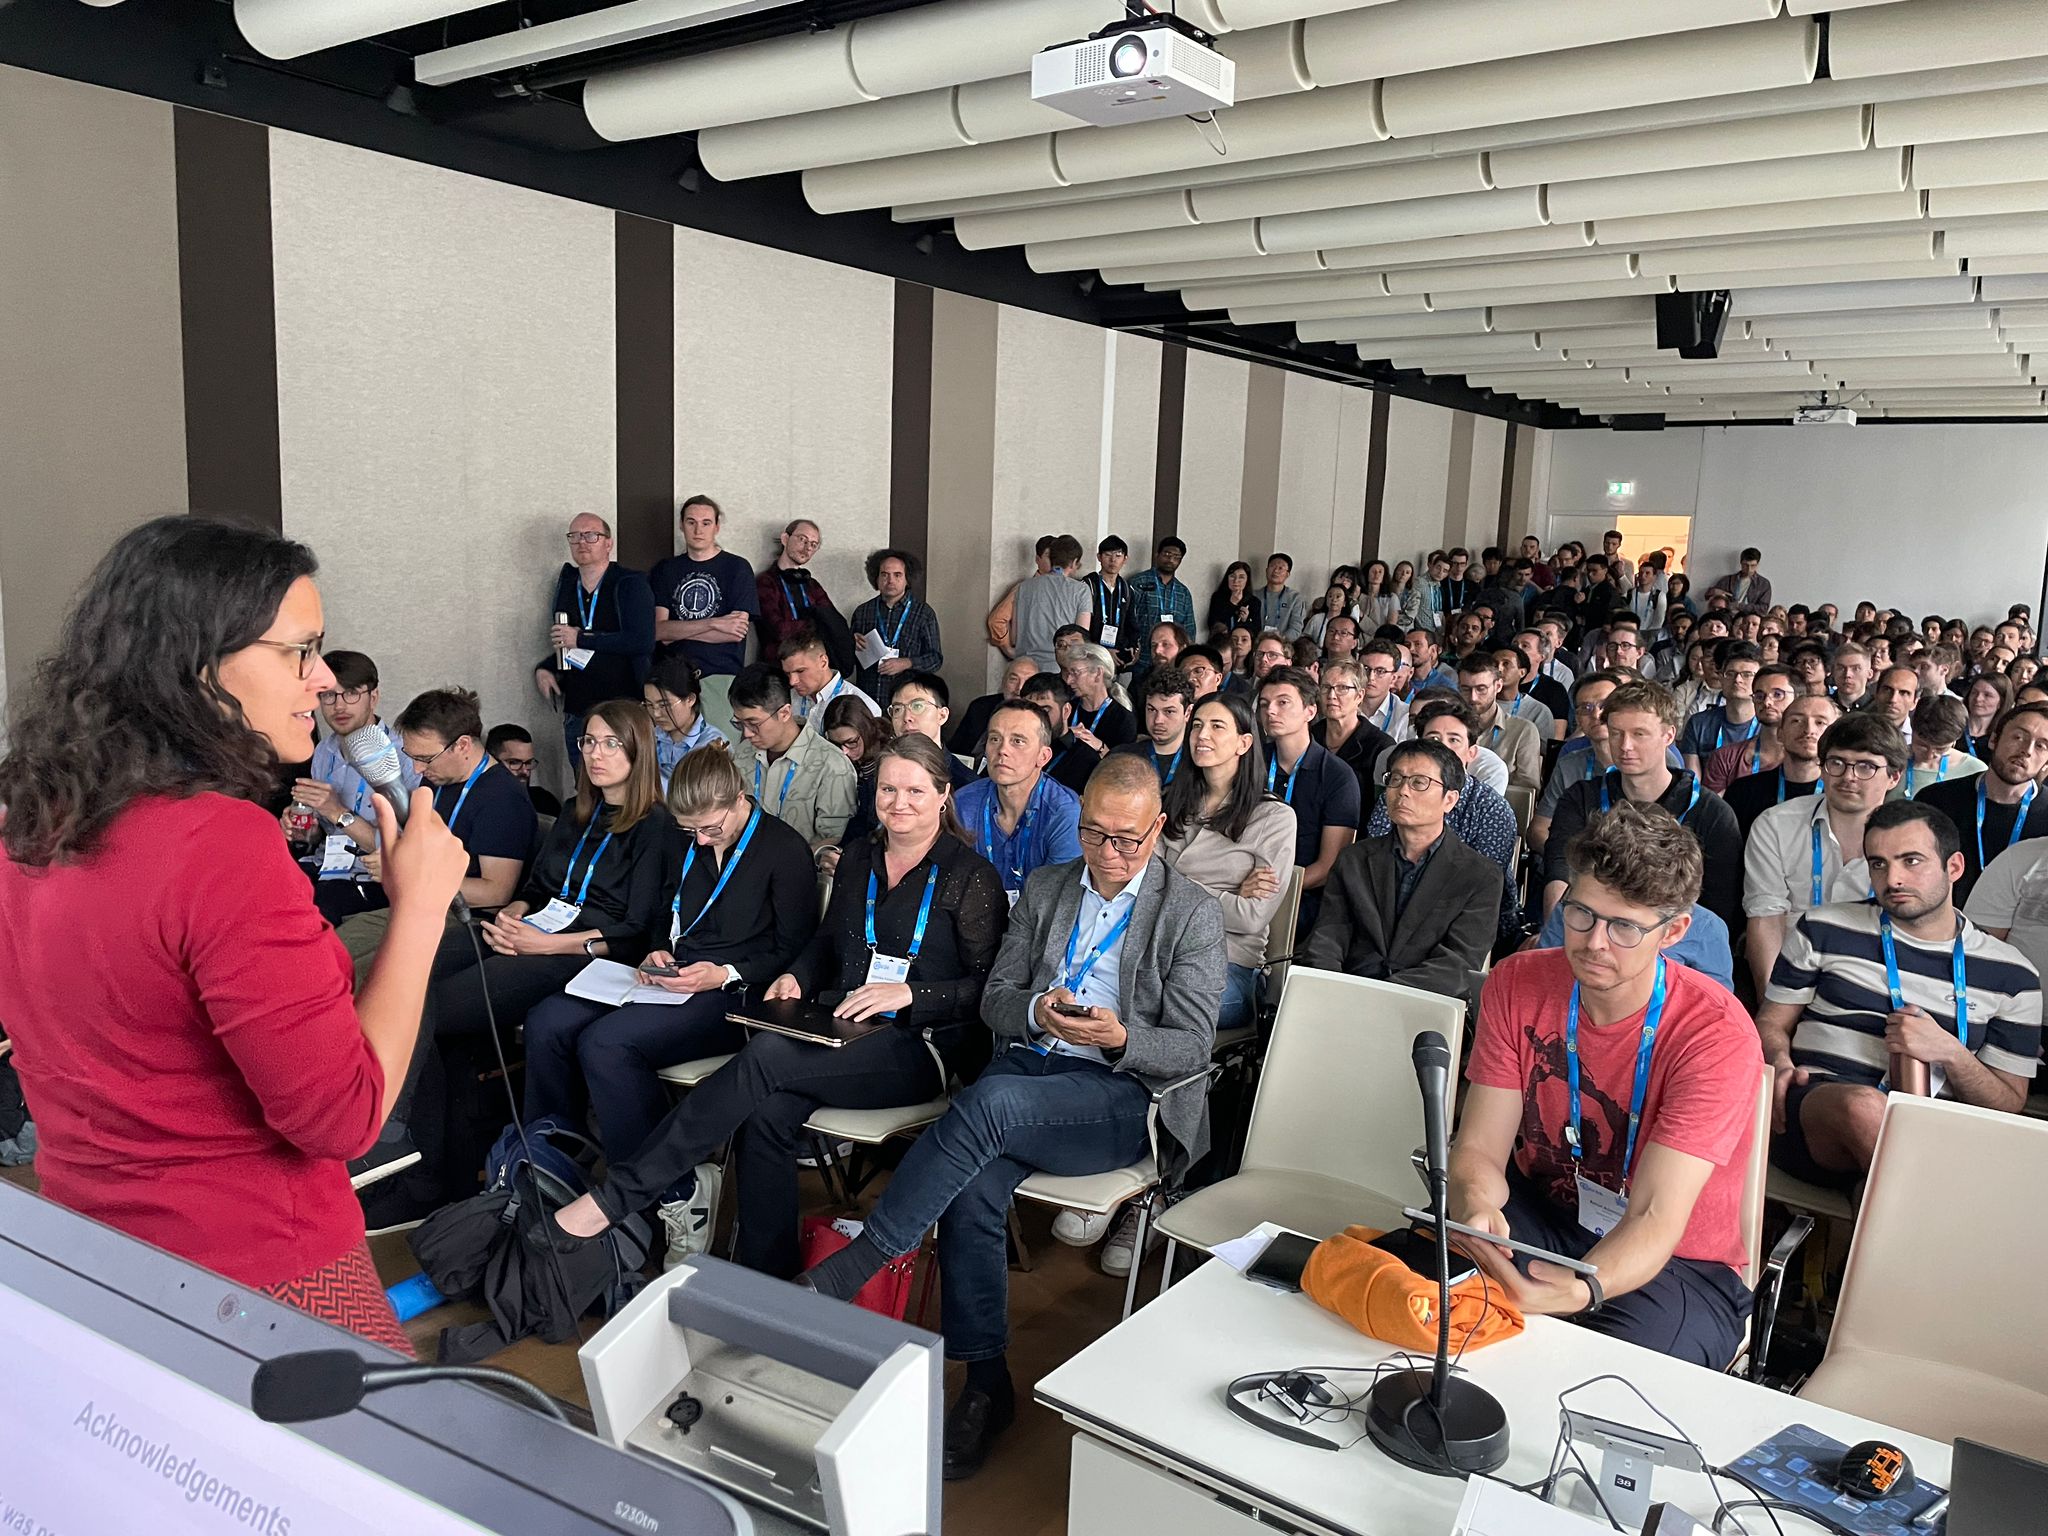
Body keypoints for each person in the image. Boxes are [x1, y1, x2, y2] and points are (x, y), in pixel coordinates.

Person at [0, 517, 470, 1351]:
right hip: (262, 1283)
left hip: (100, 1261)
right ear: (198, 666)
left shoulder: (29, 826)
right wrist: (421, 911)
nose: (323, 680)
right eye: (300, 651)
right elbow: (344, 1115)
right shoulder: (220, 845)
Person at [795, 755, 1225, 1475]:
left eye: (1128, 839)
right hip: (1033, 1071)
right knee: (974, 1189)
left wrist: (1118, 1036)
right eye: (1094, 835)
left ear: (1159, 829)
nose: (1109, 854)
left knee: (985, 1102)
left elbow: (1190, 1045)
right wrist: (1035, 1010)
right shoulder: (1053, 887)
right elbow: (995, 998)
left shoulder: (1191, 912)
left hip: (1123, 1096)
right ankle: (988, 1386)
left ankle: (867, 1256)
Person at [549, 736, 1008, 1287]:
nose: (899, 802)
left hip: (922, 1044)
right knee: (766, 1113)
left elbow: (988, 990)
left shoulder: (970, 874)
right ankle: (765, 1280)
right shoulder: (861, 854)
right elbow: (825, 940)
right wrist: (799, 975)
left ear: (943, 795)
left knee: (766, 1057)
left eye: (914, 790)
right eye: (888, 788)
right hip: (841, 1026)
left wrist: (912, 994)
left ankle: (619, 1195)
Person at [1451, 803, 1762, 1367]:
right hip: (1541, 1214)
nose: (1595, 943)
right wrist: (1477, 1209)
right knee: (1433, 1304)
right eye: (1582, 915)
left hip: (1675, 1262)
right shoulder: (1516, 982)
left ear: (1673, 931)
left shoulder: (1714, 1032)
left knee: (1611, 1382)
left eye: (1625, 927)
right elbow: (1478, 1150)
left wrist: (1580, 1290)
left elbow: (1653, 1216)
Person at [520, 745, 818, 1259]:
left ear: (739, 800)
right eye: (690, 831)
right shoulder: (687, 842)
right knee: (548, 1020)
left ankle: (667, 1195)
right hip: (671, 976)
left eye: (710, 829)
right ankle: (552, 1167)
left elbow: (795, 948)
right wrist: (660, 946)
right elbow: (665, 910)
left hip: (733, 992)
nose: (700, 840)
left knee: (607, 1044)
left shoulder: (782, 849)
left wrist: (722, 972)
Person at [1762, 801, 2041, 1188]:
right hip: (1817, 1112)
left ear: (1954, 867)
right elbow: (1771, 1024)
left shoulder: (2013, 975)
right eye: (1878, 864)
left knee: (1885, 1184)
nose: (1892, 879)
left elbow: (2009, 1102)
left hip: (1938, 1135)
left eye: (1911, 861)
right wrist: (1777, 1059)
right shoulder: (1824, 927)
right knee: (1863, 1107)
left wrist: (1950, 1053)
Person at [1302, 740, 1499, 1001]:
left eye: (1419, 782)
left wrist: (1382, 995)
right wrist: (1330, 988)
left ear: (1449, 800)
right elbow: (1329, 935)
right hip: (1346, 993)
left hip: (1423, 1002)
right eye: (1395, 779)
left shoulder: (1480, 876)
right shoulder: (1355, 858)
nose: (1402, 791)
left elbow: (1458, 963)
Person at [1542, 680, 1743, 928]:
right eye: (1616, 733)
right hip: (1591, 925)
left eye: (1639, 734)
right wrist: (1556, 930)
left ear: (1668, 735)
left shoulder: (1711, 813)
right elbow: (1560, 869)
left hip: (1677, 937)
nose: (1625, 746)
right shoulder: (1581, 797)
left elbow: (1718, 906)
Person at [1743, 714, 1906, 1002]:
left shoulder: (1915, 840)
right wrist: (1773, 1007)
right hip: (1789, 971)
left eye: (1866, 766)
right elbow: (1766, 920)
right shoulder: (1776, 824)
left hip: (1876, 980)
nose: (1848, 777)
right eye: (1837, 763)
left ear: (1893, 776)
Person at [1159, 694, 1297, 1031]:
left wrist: (1172, 882)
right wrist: (1228, 894)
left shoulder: (1274, 817)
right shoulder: (1171, 800)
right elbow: (1142, 885)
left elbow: (1251, 917)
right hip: (1158, 952)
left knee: (1167, 1004)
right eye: (1196, 726)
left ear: (1244, 743)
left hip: (1228, 964)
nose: (1202, 735)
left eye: (1217, 726)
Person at [1368, 698, 1521, 940]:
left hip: (1466, 919)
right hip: (1391, 907)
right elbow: (1375, 858)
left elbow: (1480, 884)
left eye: (1454, 740)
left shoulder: (1491, 808)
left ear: (1471, 752)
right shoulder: (1399, 792)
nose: (1443, 749)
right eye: (1433, 740)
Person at [287, 650, 419, 924]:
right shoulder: (324, 750)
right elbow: (321, 834)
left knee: (309, 915)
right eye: (328, 695)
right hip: (324, 866)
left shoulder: (404, 754)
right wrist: (303, 829)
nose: (339, 706)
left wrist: (338, 812)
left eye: (351, 694)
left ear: (373, 697)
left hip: (373, 877)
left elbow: (405, 853)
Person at [535, 512, 657, 766]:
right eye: (575, 536)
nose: (582, 542)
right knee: (585, 788)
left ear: (608, 543)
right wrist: (546, 667)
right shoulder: (568, 583)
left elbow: (641, 641)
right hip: (578, 707)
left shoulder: (630, 583)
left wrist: (582, 639)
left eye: (591, 535)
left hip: (622, 706)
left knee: (623, 786)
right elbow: (565, 643)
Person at [1256, 666, 1361, 931]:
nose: (1270, 711)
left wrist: (1269, 888)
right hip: (1244, 878)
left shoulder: (1338, 776)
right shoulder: (1250, 761)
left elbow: (1328, 866)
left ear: (1310, 711)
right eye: (1265, 704)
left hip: (1303, 893)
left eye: (1283, 703)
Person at [1913, 701, 2048, 902]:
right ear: (1994, 739)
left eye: (2041, 746)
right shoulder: (1935, 799)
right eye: (2018, 737)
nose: (2026, 750)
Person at [956, 699, 1085, 904]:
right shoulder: (963, 803)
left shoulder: (1064, 812)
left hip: (1038, 923)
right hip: (974, 917)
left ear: (1043, 757)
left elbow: (1057, 899)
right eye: (995, 739)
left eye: (1018, 741)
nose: (1002, 750)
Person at [650, 494, 758, 730]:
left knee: (718, 756)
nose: (698, 529)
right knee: (674, 759)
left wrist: (679, 631)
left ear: (717, 527)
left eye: (706, 523)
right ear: (681, 525)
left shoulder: (736, 568)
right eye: (691, 522)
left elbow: (734, 632)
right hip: (673, 679)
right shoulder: (665, 570)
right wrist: (715, 623)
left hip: (720, 678)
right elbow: (660, 631)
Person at [726, 663, 857, 848]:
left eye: (753, 723)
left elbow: (832, 840)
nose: (746, 733)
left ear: (785, 713)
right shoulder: (742, 753)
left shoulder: (832, 766)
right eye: (739, 723)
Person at [1724, 690, 1834, 839]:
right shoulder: (1742, 792)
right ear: (1780, 734)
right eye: (1796, 721)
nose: (1808, 730)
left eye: (1820, 722)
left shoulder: (1841, 795)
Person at [850, 547, 942, 710]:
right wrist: (851, 643)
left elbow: (935, 659)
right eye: (884, 574)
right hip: (867, 699)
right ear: (876, 578)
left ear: (907, 579)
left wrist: (907, 663)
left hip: (907, 703)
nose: (890, 580)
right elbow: (848, 660)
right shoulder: (863, 612)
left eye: (897, 575)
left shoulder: (924, 614)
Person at [1700, 662, 1794, 794]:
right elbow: (1714, 812)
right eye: (1759, 696)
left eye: (1778, 695)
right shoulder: (1726, 758)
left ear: (1798, 698)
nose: (1767, 702)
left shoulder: (1810, 758)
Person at [1313, 659, 1395, 807]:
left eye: (1342, 688)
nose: (1331, 695)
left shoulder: (1380, 746)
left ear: (1359, 695)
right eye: (1326, 687)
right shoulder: (1309, 736)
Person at [819, 695, 889, 869]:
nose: (844, 752)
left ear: (866, 730)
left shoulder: (888, 759)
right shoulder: (827, 760)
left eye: (851, 742)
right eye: (835, 744)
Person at [1458, 650, 1541, 791]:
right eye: (1465, 689)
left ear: (1498, 686)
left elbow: (1526, 791)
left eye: (1481, 689)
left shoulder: (1522, 730)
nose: (1473, 697)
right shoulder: (1447, 728)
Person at [642, 654, 728, 789]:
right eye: (649, 705)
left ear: (690, 699)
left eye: (664, 705)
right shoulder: (648, 737)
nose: (656, 714)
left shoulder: (713, 745)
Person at [752, 518, 831, 662]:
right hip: (777, 668)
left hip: (812, 667)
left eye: (814, 545)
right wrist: (816, 626)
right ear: (785, 539)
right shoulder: (765, 582)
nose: (807, 548)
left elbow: (832, 621)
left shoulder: (812, 585)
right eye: (802, 539)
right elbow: (779, 630)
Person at [1680, 641, 1762, 778]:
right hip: (1708, 797)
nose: (1738, 680)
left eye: (1747, 674)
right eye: (1730, 673)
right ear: (1721, 678)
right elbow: (1693, 783)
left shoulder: (1770, 726)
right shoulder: (1698, 723)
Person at [781, 623, 880, 731]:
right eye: (788, 674)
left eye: (800, 671)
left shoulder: (865, 706)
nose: (792, 681)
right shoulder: (787, 699)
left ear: (823, 662)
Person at [1011, 534, 1091, 668]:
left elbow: (1014, 637)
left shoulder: (1023, 587)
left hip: (1024, 668)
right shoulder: (1081, 590)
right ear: (1073, 562)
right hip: (1058, 668)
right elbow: (1079, 638)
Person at [950, 655, 1038, 765]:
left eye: (1027, 682)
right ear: (1003, 681)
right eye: (1013, 680)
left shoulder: (1039, 717)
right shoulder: (980, 707)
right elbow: (955, 750)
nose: (1019, 688)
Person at [1020, 673, 1096, 796]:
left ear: (1066, 711)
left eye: (1045, 710)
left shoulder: (1087, 761)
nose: (1036, 718)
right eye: (1029, 711)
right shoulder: (1012, 750)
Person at [1118, 665, 1194, 786]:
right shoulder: (1121, 757)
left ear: (1188, 712)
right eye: (1152, 710)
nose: (1158, 720)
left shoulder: (1198, 763)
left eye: (1169, 712)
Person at [1063, 642, 1137, 756]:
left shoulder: (1123, 719)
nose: (1069, 680)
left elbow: (1122, 767)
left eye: (1075, 673)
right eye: (1068, 673)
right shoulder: (1066, 710)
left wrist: (1100, 747)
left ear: (1098, 673)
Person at [1903, 693, 1986, 794]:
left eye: (1940, 749)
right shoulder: (1890, 759)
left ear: (1956, 739)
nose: (1930, 755)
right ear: (1911, 726)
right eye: (1922, 746)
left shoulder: (1975, 771)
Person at [1129, 535, 1196, 646]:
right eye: (1167, 554)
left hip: (1171, 657)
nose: (1170, 560)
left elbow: (1189, 629)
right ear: (1157, 555)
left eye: (1176, 557)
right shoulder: (1139, 582)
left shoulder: (1183, 592)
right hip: (1141, 654)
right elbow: (1128, 619)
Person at [1081, 535, 1138, 667]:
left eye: (1118, 555)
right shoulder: (1088, 584)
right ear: (1099, 557)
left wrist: (1134, 647)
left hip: (1120, 657)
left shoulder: (1127, 589)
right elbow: (1081, 627)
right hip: (1092, 656)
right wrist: (1103, 651)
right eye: (1107, 555)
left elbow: (1132, 624)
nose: (1113, 560)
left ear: (1125, 559)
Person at [486, 723, 560, 817]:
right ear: (491, 762)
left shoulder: (545, 802)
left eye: (528, 763)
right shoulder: (478, 805)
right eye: (514, 762)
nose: (525, 771)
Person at [1492, 645, 1560, 743]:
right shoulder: (1479, 704)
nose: (1499, 669)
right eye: (1494, 665)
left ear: (1522, 672)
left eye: (1506, 664)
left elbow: (1543, 753)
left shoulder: (1538, 711)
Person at [1960, 673, 2014, 756]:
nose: (1978, 698)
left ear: (2001, 702)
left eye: (1987, 695)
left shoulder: (2001, 739)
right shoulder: (1953, 725)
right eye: (1974, 692)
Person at [1706, 547, 1773, 615]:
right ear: (1740, 563)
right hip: (1727, 618)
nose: (1749, 569)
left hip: (1749, 621)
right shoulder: (1727, 580)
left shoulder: (1764, 584)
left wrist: (1740, 606)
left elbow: (1763, 609)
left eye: (1753, 565)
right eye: (1745, 565)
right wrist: (1714, 591)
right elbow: (1707, 596)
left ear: (1758, 565)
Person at [1259, 552, 1307, 641]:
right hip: (1257, 643)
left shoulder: (1295, 598)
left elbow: (1295, 629)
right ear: (1266, 570)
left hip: (1283, 646)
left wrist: (1279, 641)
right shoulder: (1255, 595)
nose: (1276, 571)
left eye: (1281, 568)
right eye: (1272, 566)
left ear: (1287, 574)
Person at [1206, 560, 1258, 641]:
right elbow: (1212, 624)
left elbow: (1256, 630)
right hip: (1221, 643)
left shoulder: (1254, 602)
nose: (1236, 581)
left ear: (1247, 580)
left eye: (1241, 577)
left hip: (1242, 645)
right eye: (1232, 576)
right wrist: (1232, 604)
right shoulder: (1218, 597)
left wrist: (1245, 620)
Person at [1867, 664, 1920, 737]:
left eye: (1903, 693)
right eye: (1887, 690)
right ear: (1876, 694)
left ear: (1914, 702)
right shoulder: (1856, 731)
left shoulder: (1920, 739)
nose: (1893, 699)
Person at [1830, 642, 1874, 711]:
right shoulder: (1822, 706)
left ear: (1869, 673)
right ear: (1832, 672)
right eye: (1841, 668)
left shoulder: (1879, 709)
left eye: (1856, 668)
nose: (1847, 674)